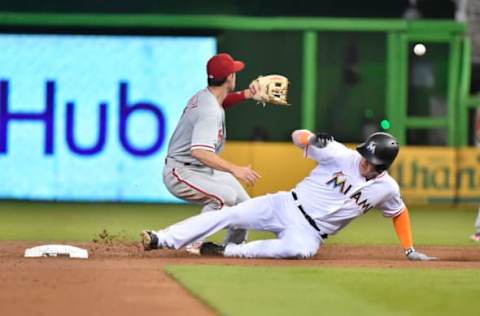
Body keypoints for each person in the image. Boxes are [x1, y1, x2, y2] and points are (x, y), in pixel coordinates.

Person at [143, 130, 436, 260]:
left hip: (311, 232)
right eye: (364, 154)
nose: (363, 161)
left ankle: (228, 251)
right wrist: (310, 137)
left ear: (382, 166)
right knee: (228, 213)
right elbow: (297, 136)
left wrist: (409, 248)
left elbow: (399, 213)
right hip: (284, 204)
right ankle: (162, 239)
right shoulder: (339, 154)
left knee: (298, 251)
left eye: (371, 161)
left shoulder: (387, 189)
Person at [162, 53, 261, 254]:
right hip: (182, 171)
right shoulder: (209, 111)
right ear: (229, 78)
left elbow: (221, 103)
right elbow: (199, 152)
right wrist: (235, 169)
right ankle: (194, 241)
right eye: (234, 72)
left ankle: (233, 247)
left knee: (246, 207)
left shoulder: (208, 98)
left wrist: (246, 95)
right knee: (224, 196)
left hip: (199, 169)